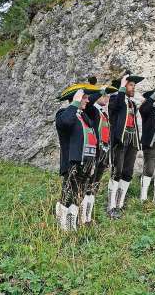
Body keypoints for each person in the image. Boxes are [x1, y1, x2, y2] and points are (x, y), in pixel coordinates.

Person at [55, 83, 101, 231]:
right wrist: (75, 101)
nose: (88, 101)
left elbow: (94, 125)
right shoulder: (63, 114)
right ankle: (62, 227)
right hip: (73, 163)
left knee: (77, 196)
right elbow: (66, 122)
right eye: (85, 98)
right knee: (67, 195)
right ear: (77, 98)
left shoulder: (85, 116)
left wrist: (97, 91)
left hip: (87, 163)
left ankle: (71, 226)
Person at [81, 77, 117, 222]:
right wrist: (98, 90)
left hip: (104, 151)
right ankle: (83, 217)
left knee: (95, 185)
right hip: (95, 152)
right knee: (88, 184)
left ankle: (88, 217)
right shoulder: (92, 110)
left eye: (107, 94)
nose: (107, 97)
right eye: (104, 95)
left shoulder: (103, 112)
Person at [108, 72, 144, 216]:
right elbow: (116, 106)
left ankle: (120, 203)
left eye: (134, 85)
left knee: (128, 172)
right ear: (123, 86)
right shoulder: (115, 99)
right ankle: (111, 206)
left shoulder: (131, 103)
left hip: (132, 140)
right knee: (117, 171)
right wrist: (122, 87)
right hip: (120, 140)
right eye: (131, 85)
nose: (133, 87)